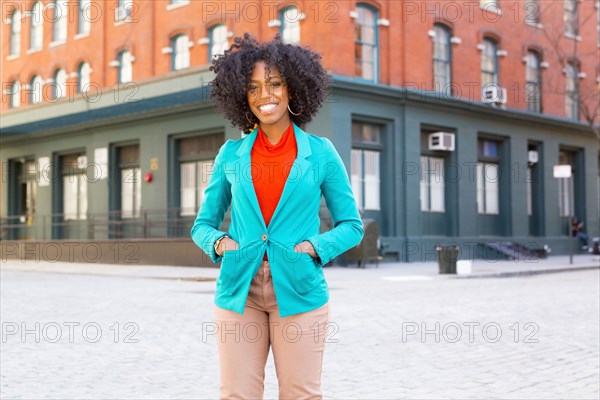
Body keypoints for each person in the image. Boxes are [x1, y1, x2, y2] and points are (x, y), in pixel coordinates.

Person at [190, 33, 364, 399]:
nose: (264, 95)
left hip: (300, 291)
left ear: (293, 88)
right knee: (237, 394)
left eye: (274, 84)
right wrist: (219, 243)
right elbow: (202, 225)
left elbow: (352, 226)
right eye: (253, 88)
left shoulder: (320, 153)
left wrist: (315, 247)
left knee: (301, 394)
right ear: (241, 96)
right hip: (240, 291)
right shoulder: (230, 154)